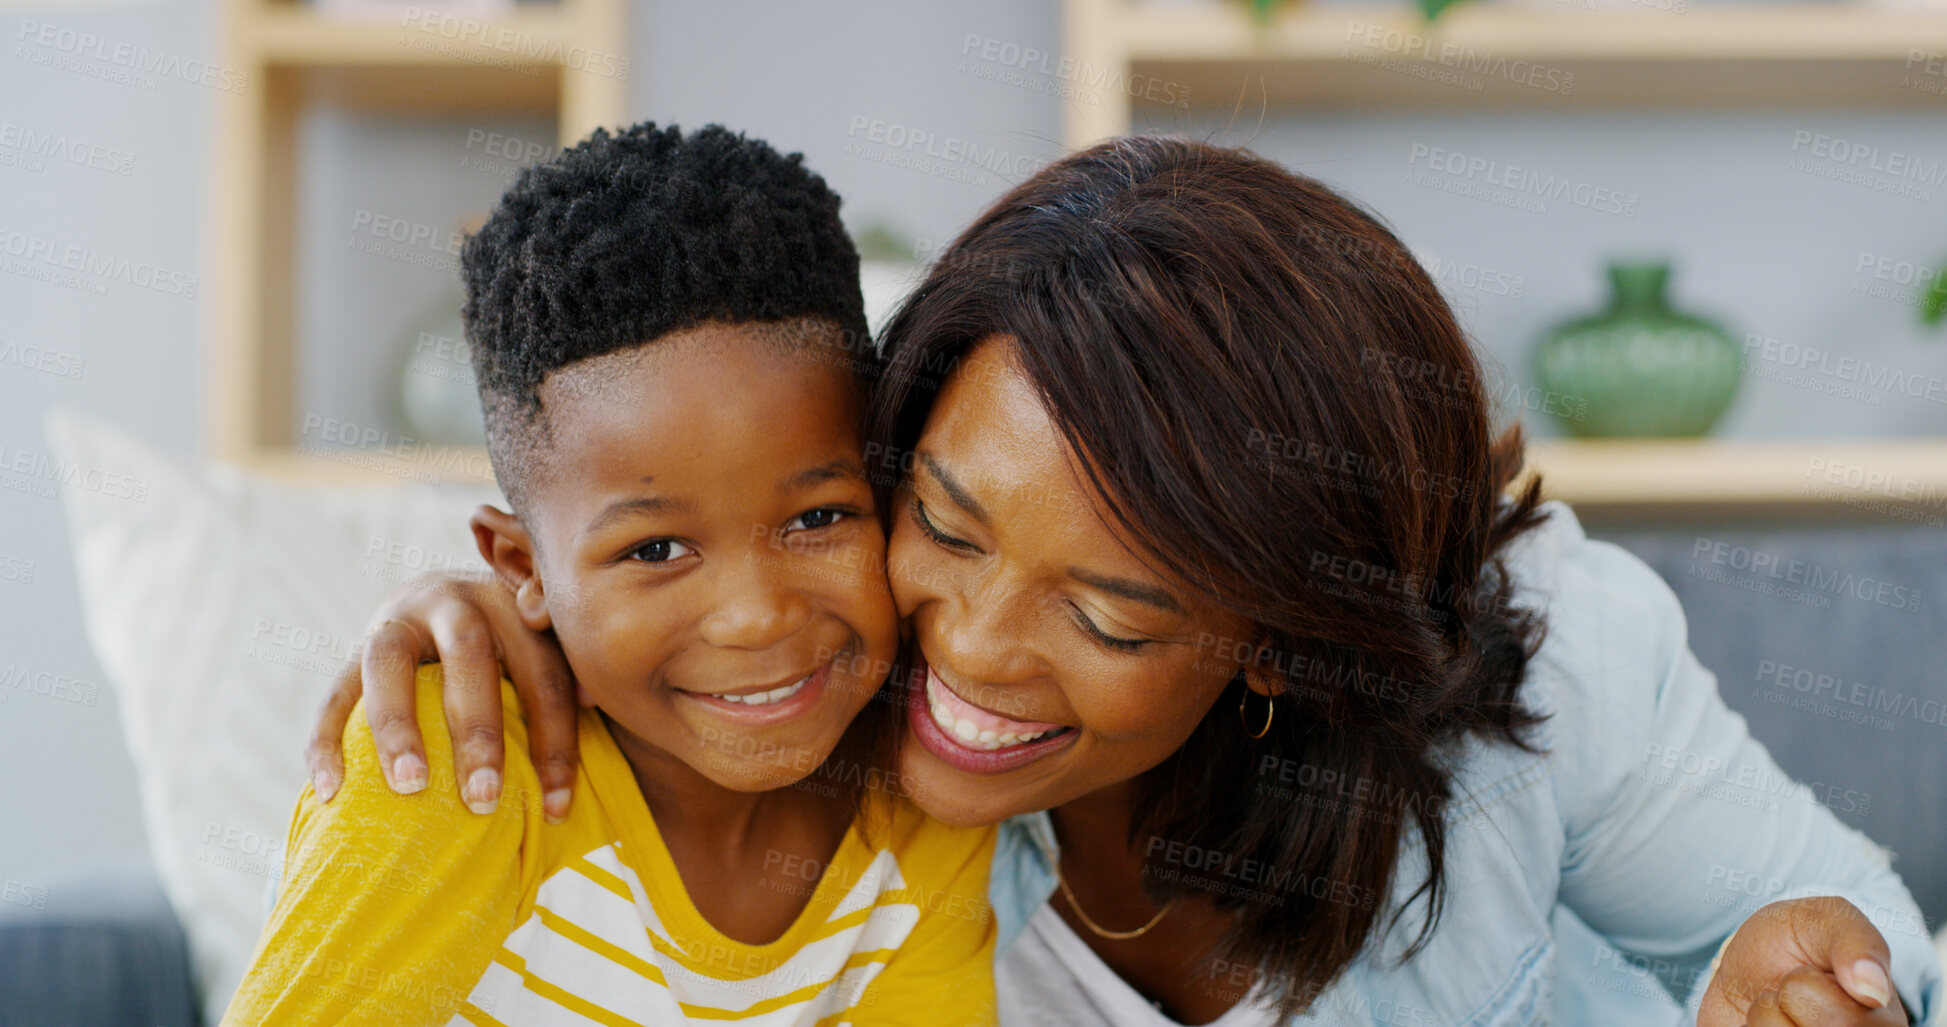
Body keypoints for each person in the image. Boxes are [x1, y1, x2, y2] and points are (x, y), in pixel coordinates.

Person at [310, 136, 1941, 1025]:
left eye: (1109, 613)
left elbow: (1875, 957)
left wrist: (1808, 972)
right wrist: (494, 609)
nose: (970, 651)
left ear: (1279, 643)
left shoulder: (1558, 659)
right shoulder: (824, 740)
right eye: (940, 521)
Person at [225, 123, 997, 1026]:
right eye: (655, 549)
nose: (753, 617)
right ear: (521, 566)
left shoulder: (924, 799)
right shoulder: (456, 766)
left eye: (817, 518)